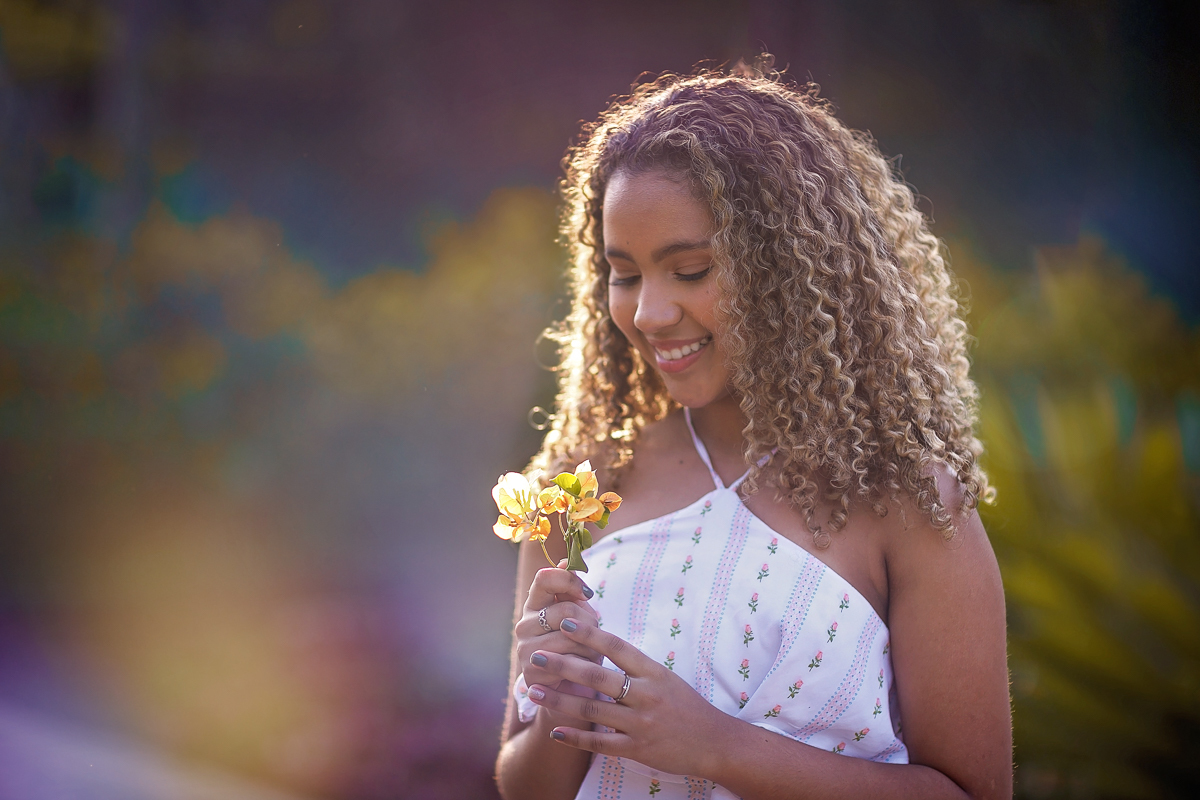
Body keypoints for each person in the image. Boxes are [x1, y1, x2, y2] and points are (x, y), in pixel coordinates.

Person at [494, 60, 1012, 800]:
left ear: (791, 271)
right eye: (625, 273)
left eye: (691, 269)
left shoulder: (906, 502)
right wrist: (559, 704)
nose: (648, 314)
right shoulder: (580, 488)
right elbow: (525, 785)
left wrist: (718, 748)